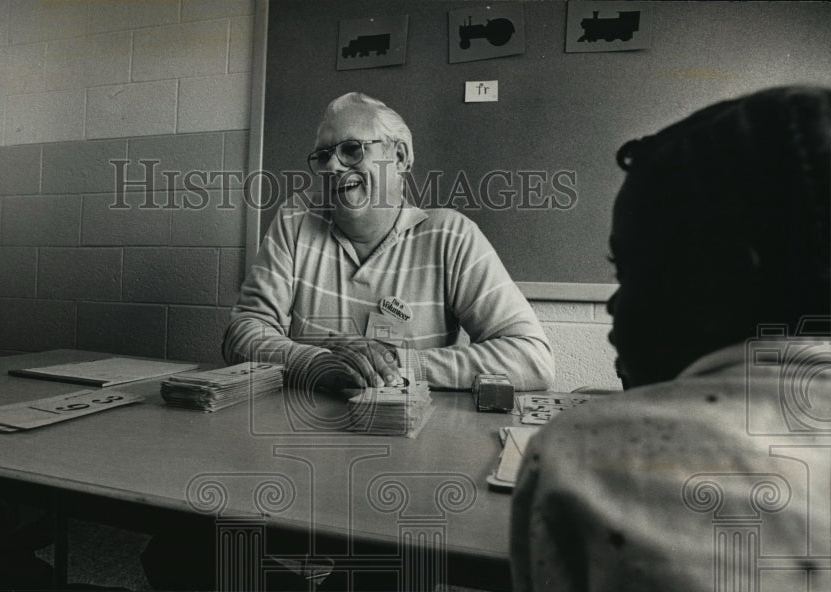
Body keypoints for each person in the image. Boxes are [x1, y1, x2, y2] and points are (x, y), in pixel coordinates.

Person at [511, 85, 831, 590]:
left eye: (628, 272)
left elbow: (524, 356)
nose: (614, 305)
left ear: (719, 283)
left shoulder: (580, 458)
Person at [223, 92, 554, 393]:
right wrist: (317, 362)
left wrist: (402, 365)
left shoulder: (451, 236)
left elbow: (532, 358)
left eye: (351, 150)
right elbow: (243, 333)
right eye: (323, 156)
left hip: (409, 438)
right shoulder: (295, 220)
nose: (333, 166)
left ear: (399, 157)